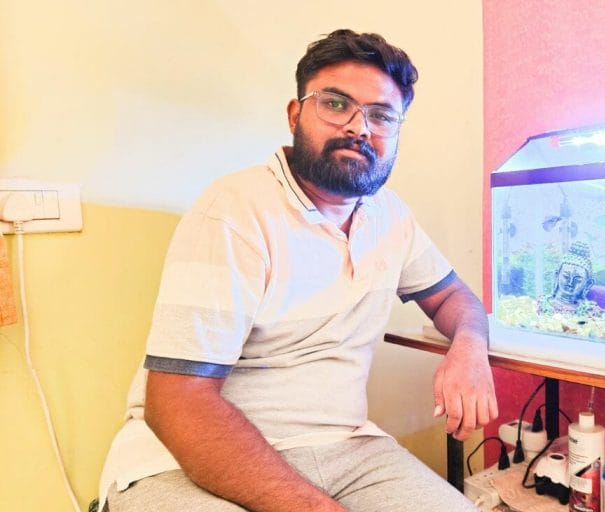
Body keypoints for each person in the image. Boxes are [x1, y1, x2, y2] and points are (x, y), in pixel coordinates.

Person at [97, 29, 497, 512]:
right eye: (335, 104)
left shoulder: (390, 216)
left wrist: (470, 350)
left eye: (381, 115)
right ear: (295, 114)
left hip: (346, 449)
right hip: (184, 460)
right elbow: (179, 400)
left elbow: (454, 299)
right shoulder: (235, 211)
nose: (358, 127)